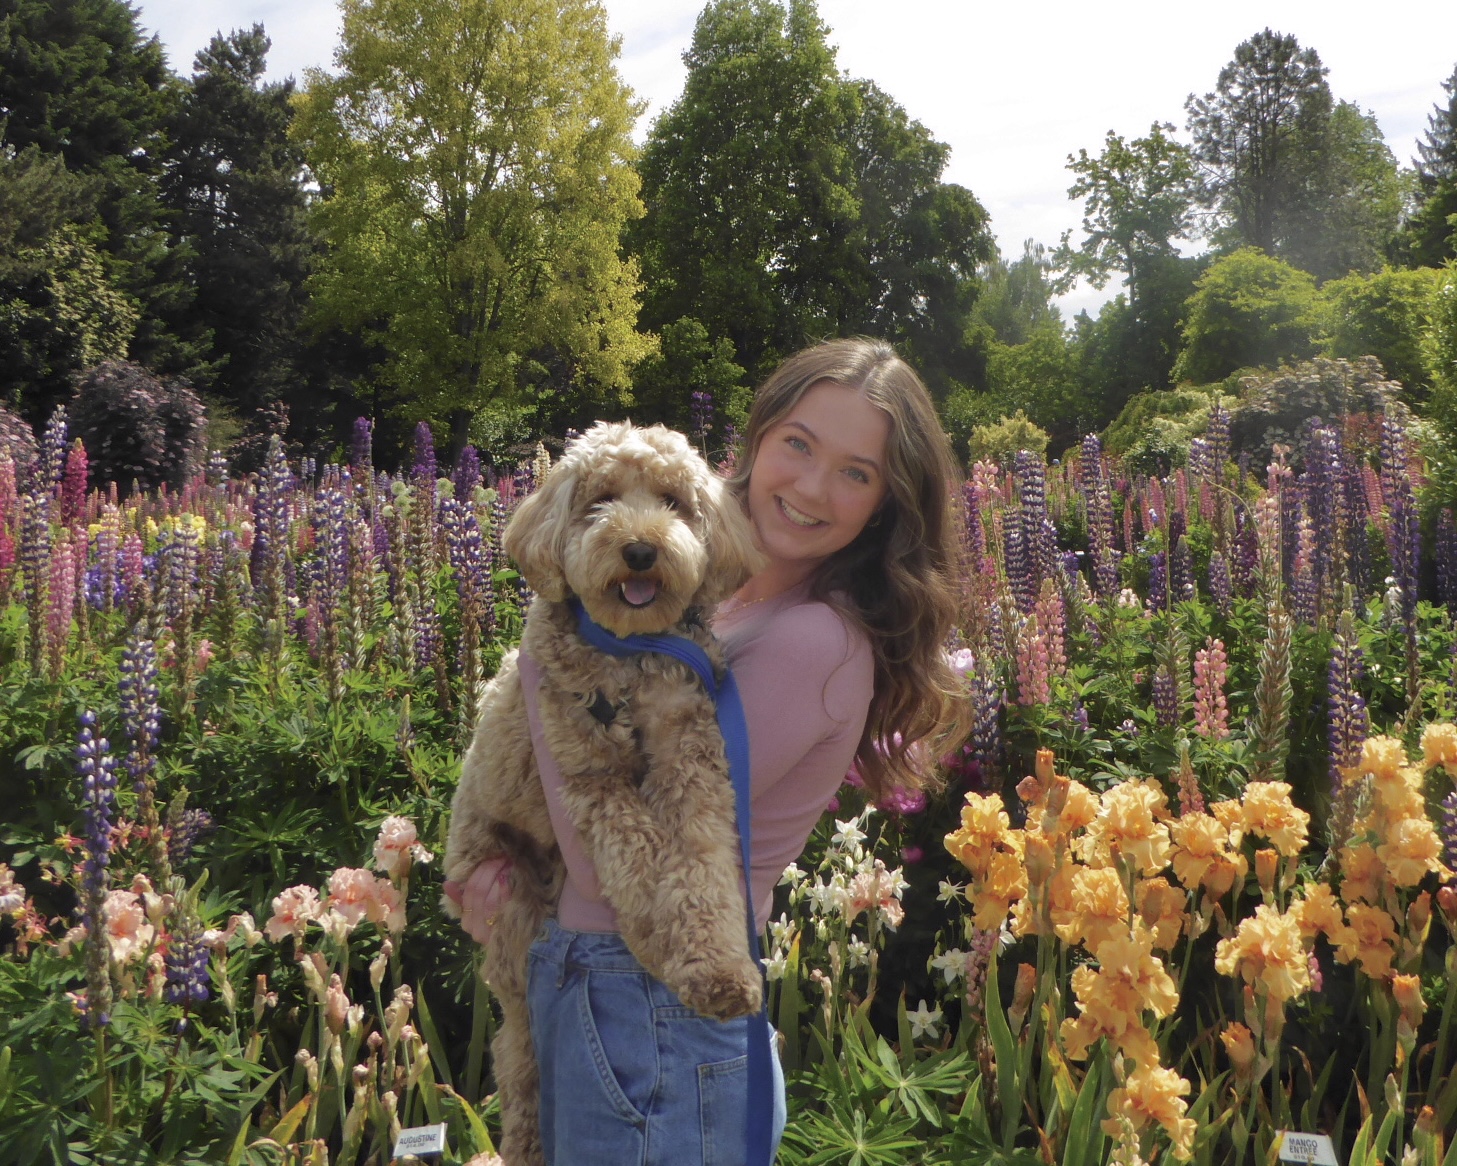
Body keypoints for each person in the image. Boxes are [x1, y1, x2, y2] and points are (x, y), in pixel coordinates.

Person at [445, 337, 968, 1165]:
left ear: (885, 505)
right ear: (758, 438)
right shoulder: (705, 604)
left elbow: (598, 849)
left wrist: (544, 660)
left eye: (854, 472)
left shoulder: (813, 642)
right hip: (595, 984)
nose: (808, 486)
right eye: (797, 444)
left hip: (653, 999)